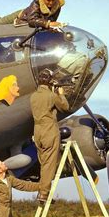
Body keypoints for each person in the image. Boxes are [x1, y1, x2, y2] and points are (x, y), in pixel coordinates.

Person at [30, 68, 69, 203]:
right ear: (50, 81)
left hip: (38, 131)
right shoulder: (51, 96)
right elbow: (64, 107)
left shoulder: (33, 96)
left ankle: (42, 191)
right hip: (49, 130)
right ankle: (44, 194)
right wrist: (61, 94)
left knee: (43, 164)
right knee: (49, 165)